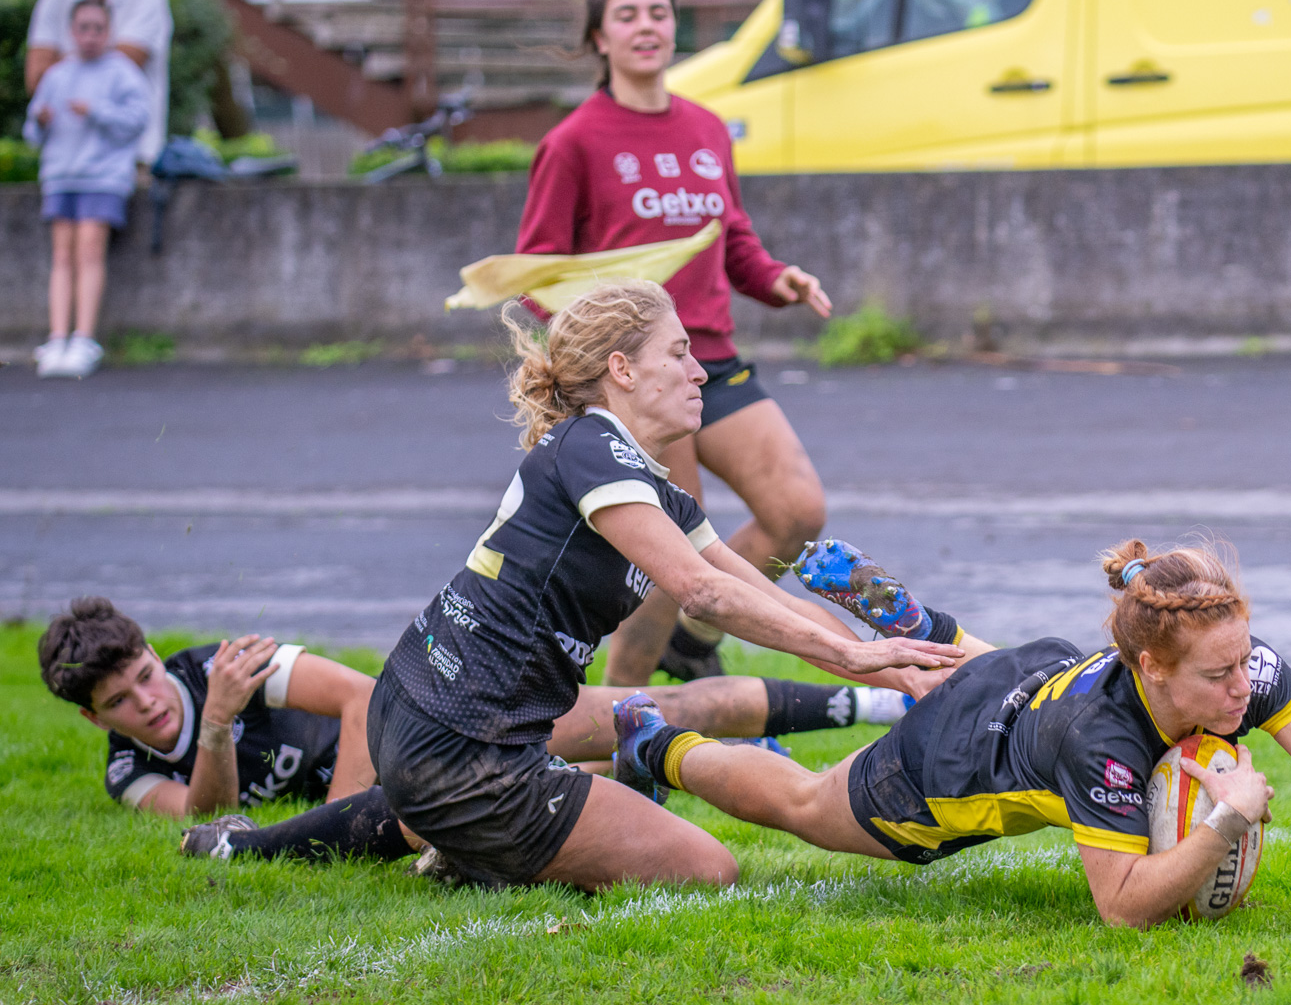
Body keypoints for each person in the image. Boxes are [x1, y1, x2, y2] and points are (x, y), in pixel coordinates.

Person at [362, 281, 962, 890]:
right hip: (461, 739)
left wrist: (912, 673)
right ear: (621, 369)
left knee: (647, 797)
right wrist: (856, 652)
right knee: (707, 870)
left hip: (440, 715)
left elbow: (769, 597)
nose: (699, 373)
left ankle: (472, 844)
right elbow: (701, 593)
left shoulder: (652, 488)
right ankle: (476, 854)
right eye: (678, 354)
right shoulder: (593, 445)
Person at [615, 538, 1291, 927]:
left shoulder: (1230, 666)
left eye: (1242, 663)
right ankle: (655, 742)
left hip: (1031, 671)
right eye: (1218, 677)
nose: (1241, 688)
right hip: (952, 763)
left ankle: (930, 628)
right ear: (1154, 667)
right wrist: (1225, 819)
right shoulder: (1101, 741)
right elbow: (1122, 910)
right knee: (805, 802)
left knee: (1027, 684)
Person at [36, 596, 910, 863]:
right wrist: (218, 731)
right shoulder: (127, 770)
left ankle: (891, 704)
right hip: (433, 784)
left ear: (154, 655)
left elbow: (364, 700)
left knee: (661, 708)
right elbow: (198, 806)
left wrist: (343, 810)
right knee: (618, 770)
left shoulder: (223, 662)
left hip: (435, 733)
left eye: (144, 676)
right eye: (120, 702)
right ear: (93, 717)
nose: (147, 702)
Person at [517, 0, 835, 684]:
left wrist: (774, 279)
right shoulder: (573, 142)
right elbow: (538, 271)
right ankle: (623, 722)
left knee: (797, 512)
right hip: (638, 375)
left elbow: (733, 238)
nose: (647, 26)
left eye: (659, 12)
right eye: (627, 15)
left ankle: (693, 637)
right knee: (669, 561)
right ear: (600, 36)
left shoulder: (703, 128)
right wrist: (600, 348)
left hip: (713, 359)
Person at [22, 0, 150, 378]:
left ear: (109, 32)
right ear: (71, 32)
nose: (90, 36)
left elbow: (136, 121)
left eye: (98, 28)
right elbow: (31, 132)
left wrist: (95, 111)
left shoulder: (122, 73)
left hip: (103, 178)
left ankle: (83, 337)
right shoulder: (57, 75)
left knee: (89, 251)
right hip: (62, 176)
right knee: (62, 256)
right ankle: (57, 337)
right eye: (83, 28)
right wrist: (41, 120)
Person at [26, 0, 172, 167]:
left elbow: (118, 71)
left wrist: (60, 62)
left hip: (131, 158)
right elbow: (36, 79)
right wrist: (97, 56)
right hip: (66, 163)